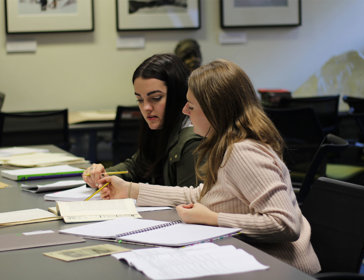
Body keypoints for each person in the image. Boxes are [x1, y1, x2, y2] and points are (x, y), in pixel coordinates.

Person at [97, 59, 321, 274]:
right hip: (256, 260)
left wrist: (213, 219)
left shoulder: (243, 152)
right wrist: (130, 190)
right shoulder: (227, 145)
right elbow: (202, 195)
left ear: (215, 110)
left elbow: (285, 224)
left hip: (281, 268)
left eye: (191, 106)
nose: (185, 111)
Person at [83, 54, 202, 188]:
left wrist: (133, 191)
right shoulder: (161, 127)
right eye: (140, 99)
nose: (146, 108)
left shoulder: (192, 141)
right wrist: (101, 175)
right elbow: (135, 167)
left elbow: (187, 201)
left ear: (178, 96)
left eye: (156, 98)